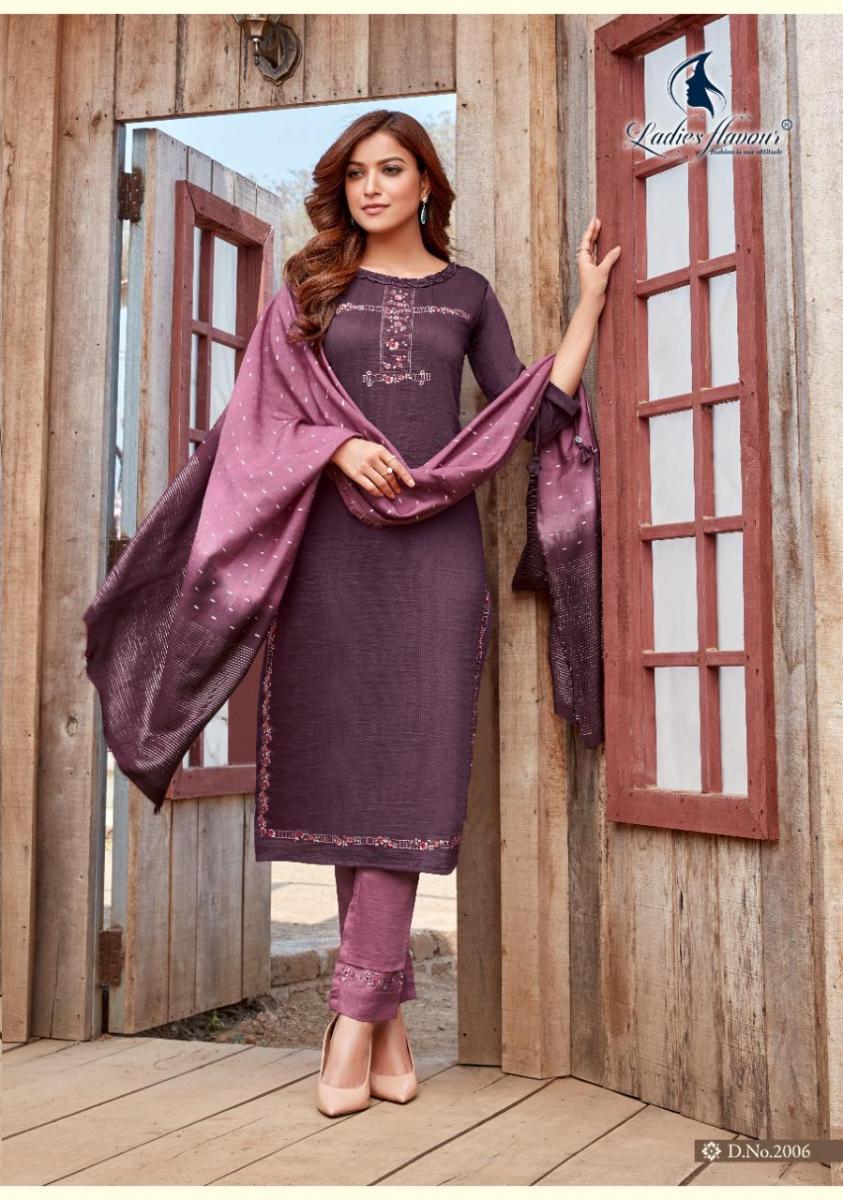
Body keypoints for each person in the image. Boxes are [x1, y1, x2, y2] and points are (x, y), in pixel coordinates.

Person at [266, 109, 620, 1116]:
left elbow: (528, 414)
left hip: (435, 559)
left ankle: (350, 1017)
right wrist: (335, 447)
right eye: (357, 174)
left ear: (426, 183)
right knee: (349, 778)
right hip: (327, 557)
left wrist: (588, 307)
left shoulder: (467, 294)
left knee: (409, 774)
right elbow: (263, 413)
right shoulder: (308, 287)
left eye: (392, 169)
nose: (372, 187)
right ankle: (383, 1025)